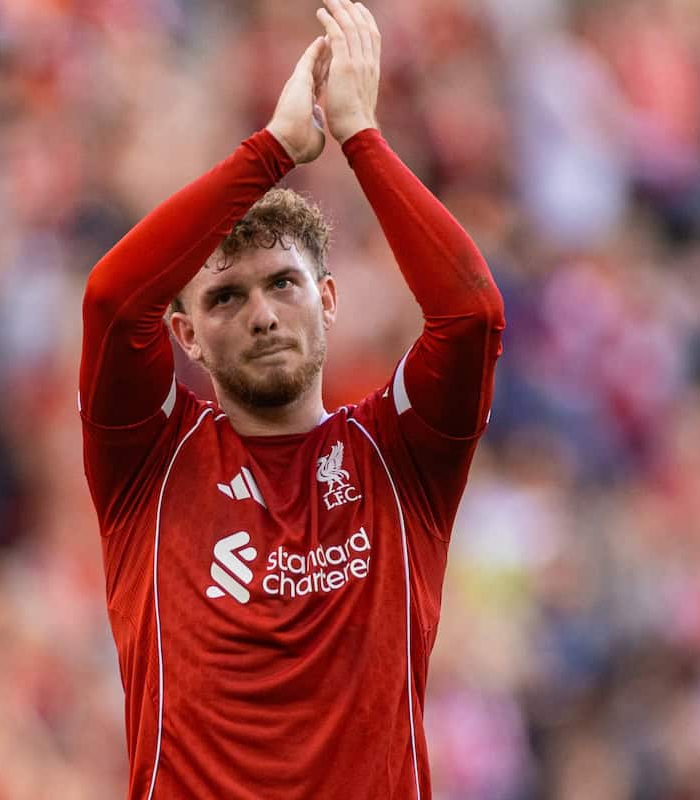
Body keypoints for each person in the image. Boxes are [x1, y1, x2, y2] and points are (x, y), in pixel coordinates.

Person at [79, 0, 504, 796]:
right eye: (225, 297)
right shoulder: (147, 459)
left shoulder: (401, 455)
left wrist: (361, 137)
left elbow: (470, 313)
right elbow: (111, 300)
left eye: (284, 283)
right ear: (185, 335)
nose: (264, 314)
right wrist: (272, 150)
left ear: (329, 300)